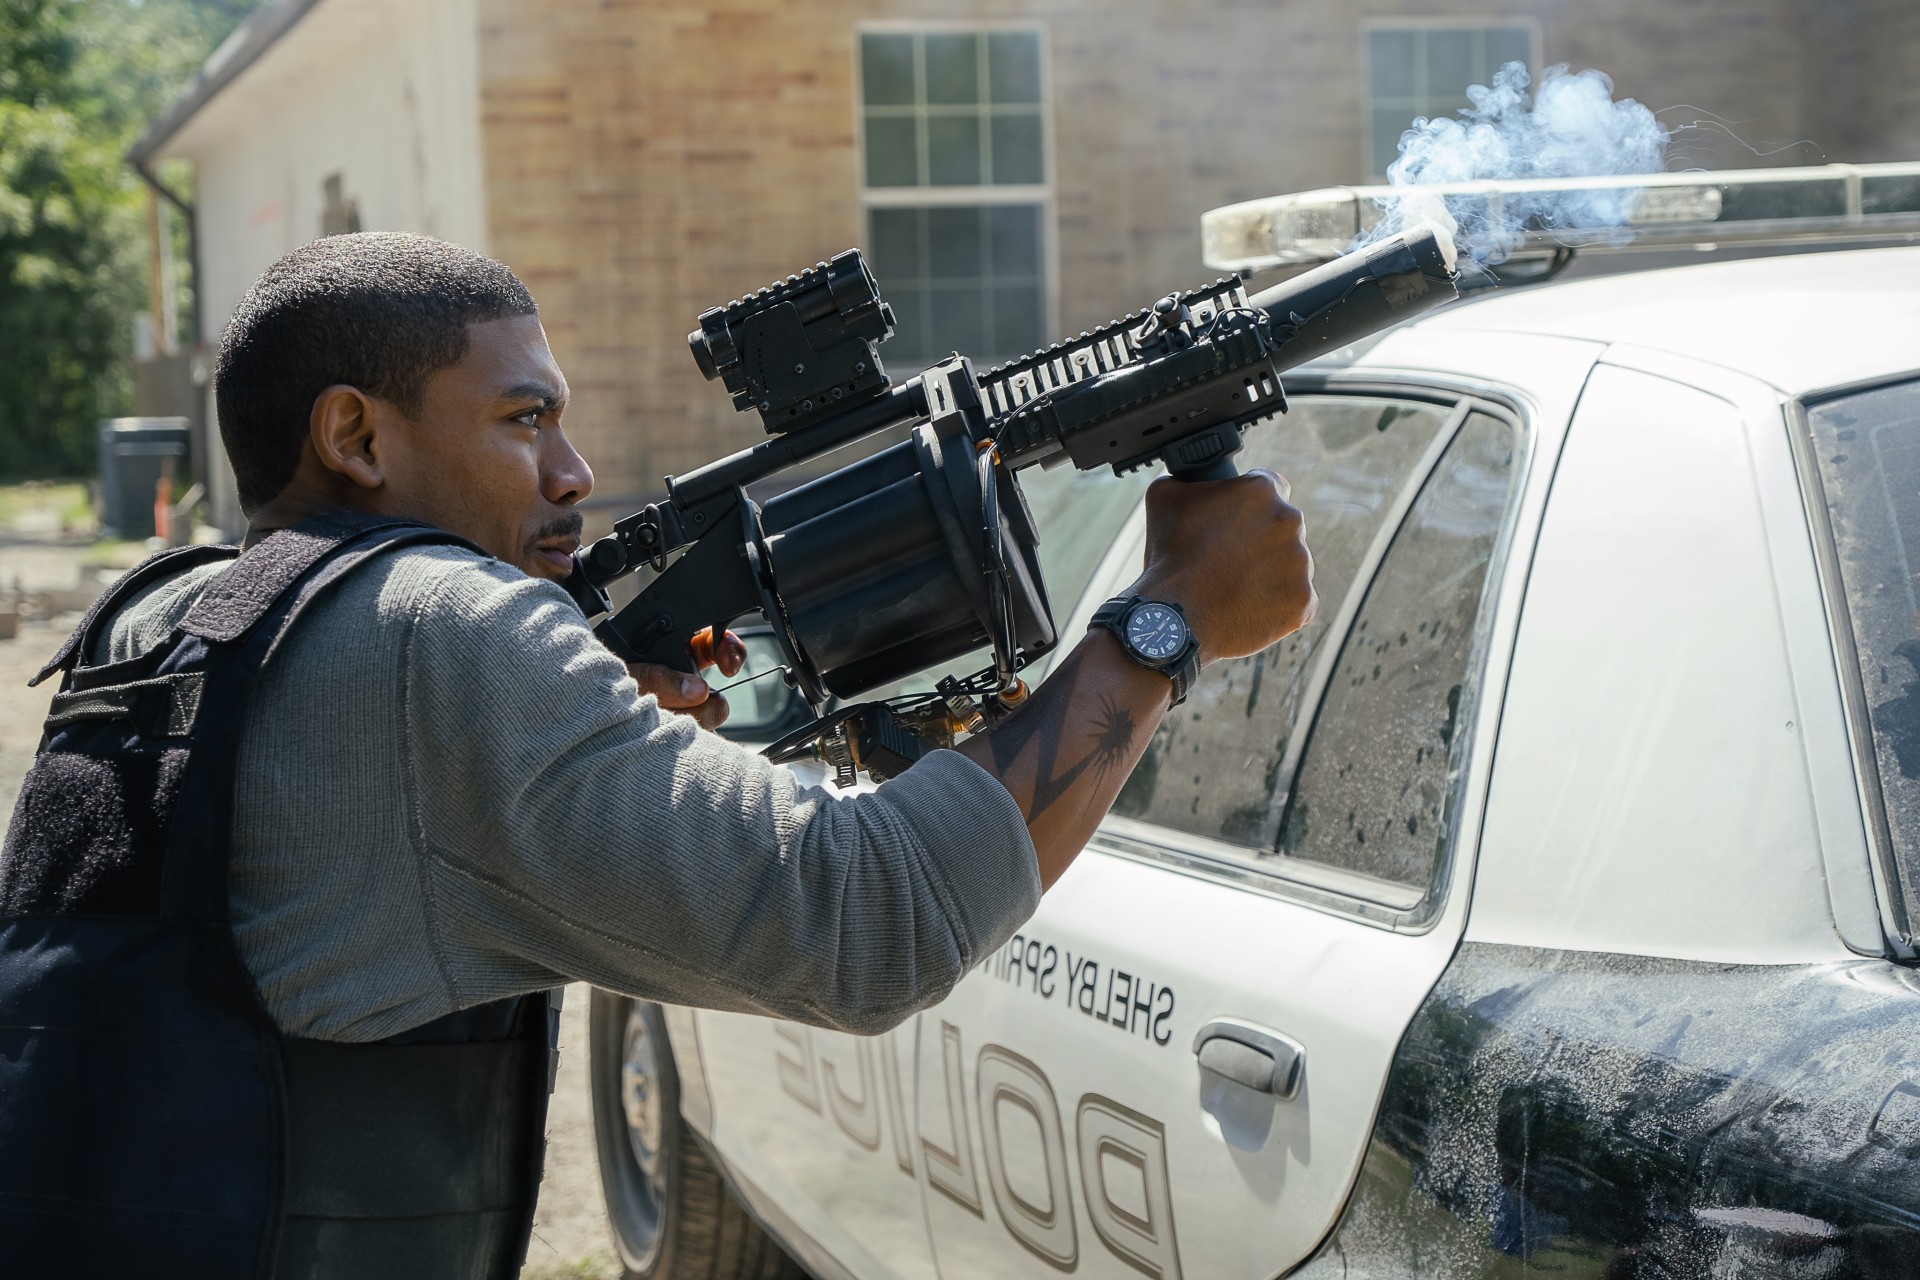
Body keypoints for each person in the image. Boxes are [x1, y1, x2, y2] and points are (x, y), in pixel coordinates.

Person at [0, 232, 1314, 1278]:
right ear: (358, 437)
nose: (574, 472)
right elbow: (869, 923)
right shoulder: (443, 633)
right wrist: (1167, 618)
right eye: (523, 422)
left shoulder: (168, 612)